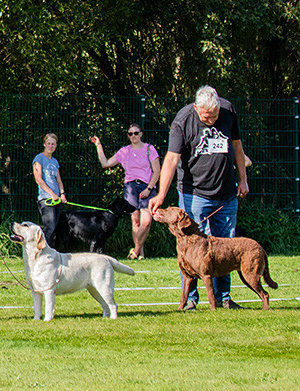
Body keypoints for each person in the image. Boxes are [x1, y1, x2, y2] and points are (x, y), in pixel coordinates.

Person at [148, 85, 249, 310]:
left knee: (226, 247)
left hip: (226, 194)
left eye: (214, 115)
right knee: (189, 247)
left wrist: (243, 180)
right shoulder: (183, 120)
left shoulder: (228, 110)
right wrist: (161, 195)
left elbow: (237, 146)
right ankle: (190, 300)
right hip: (194, 194)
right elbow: (171, 159)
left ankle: (223, 298)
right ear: (196, 108)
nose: (211, 120)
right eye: (206, 116)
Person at [90, 124, 160, 259]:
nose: (133, 136)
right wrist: (98, 145)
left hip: (147, 186)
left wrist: (149, 188)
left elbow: (157, 171)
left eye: (136, 133)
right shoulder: (124, 151)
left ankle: (135, 250)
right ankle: (141, 254)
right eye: (130, 133)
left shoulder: (149, 149)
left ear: (141, 134)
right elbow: (105, 163)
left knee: (146, 222)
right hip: (131, 187)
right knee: (135, 222)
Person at [32, 133, 66, 246]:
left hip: (56, 200)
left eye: (53, 144)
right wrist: (52, 194)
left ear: (56, 145)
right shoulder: (39, 158)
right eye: (48, 143)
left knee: (54, 228)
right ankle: (41, 250)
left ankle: (51, 252)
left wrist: (62, 194)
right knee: (49, 227)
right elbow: (38, 179)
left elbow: (59, 181)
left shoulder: (55, 162)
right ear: (44, 144)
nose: (50, 146)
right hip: (46, 200)